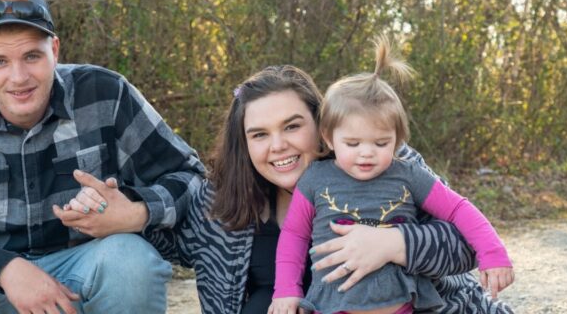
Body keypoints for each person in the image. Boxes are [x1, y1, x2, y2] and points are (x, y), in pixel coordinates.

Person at [0, 0, 206, 313]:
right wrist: (6, 269)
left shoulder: (104, 93)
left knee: (131, 263)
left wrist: (135, 213)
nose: (18, 77)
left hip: (85, 274)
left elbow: (192, 179)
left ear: (54, 50)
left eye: (32, 56)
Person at [155, 63, 515, 313]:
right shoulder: (223, 202)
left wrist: (394, 244)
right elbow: (170, 236)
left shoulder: (383, 161)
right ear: (245, 143)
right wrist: (130, 212)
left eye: (292, 126)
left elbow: (466, 241)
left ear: (322, 126)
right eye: (260, 134)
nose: (278, 145)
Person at [268, 36, 514, 314]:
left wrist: (492, 254)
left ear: (397, 140)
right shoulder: (315, 179)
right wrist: (286, 290)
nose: (367, 153)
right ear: (328, 136)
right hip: (333, 306)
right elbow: (294, 236)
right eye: (353, 143)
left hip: (402, 306)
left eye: (381, 143)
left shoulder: (407, 174)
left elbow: (458, 209)